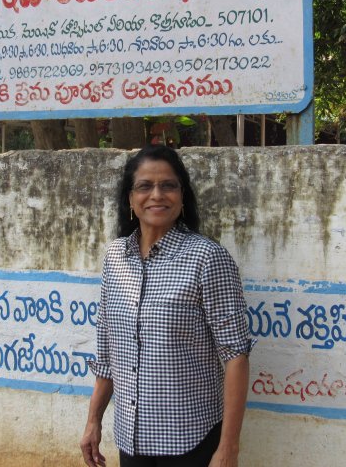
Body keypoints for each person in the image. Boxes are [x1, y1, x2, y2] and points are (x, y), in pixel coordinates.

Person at [81, 145, 255, 467]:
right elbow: (108, 352)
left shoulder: (207, 259)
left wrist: (228, 448)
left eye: (168, 185)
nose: (157, 195)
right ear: (130, 199)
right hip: (131, 440)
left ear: (182, 195)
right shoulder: (115, 257)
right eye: (145, 186)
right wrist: (94, 421)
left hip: (192, 441)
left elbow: (235, 356)